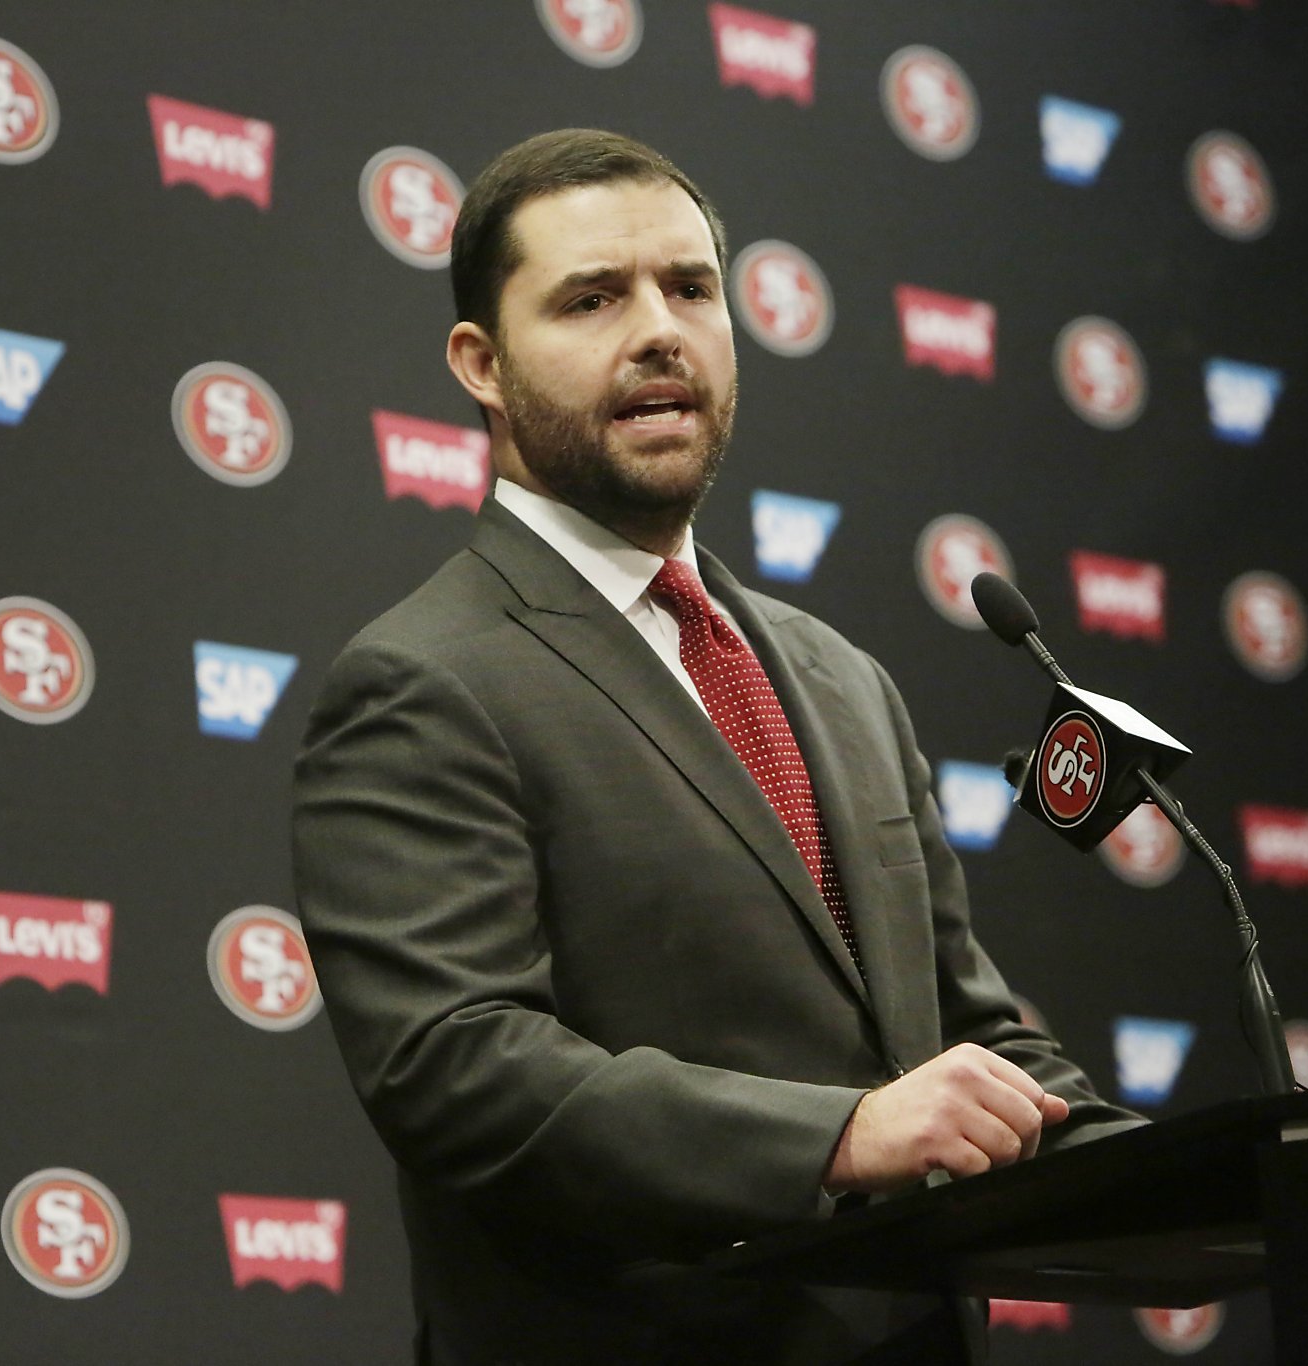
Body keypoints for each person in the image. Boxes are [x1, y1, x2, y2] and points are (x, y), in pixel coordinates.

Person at [291, 129, 1140, 1365]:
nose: (659, 330)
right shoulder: (421, 681)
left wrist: (1210, 1171)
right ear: (479, 361)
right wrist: (839, 1135)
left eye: (690, 287)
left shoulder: (840, 677)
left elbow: (966, 1038)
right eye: (591, 297)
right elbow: (458, 1069)